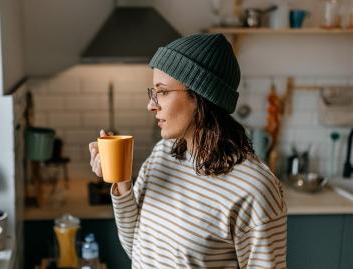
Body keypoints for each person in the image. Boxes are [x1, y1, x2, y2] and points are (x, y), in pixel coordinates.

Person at [88, 33, 287, 269]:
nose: (151, 105)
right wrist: (121, 181)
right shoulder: (163, 154)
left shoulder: (254, 188)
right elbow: (136, 247)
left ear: (201, 96)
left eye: (162, 91)